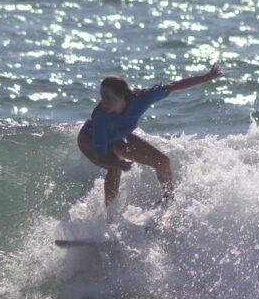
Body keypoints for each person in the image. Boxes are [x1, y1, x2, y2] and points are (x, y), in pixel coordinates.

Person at [78, 63, 225, 211]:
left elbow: (174, 86)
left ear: (122, 96)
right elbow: (102, 155)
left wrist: (207, 77)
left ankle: (169, 201)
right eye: (102, 96)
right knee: (114, 166)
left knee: (163, 161)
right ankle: (110, 217)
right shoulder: (101, 117)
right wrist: (119, 164)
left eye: (108, 97)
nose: (103, 102)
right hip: (88, 140)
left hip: (119, 136)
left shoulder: (141, 100)